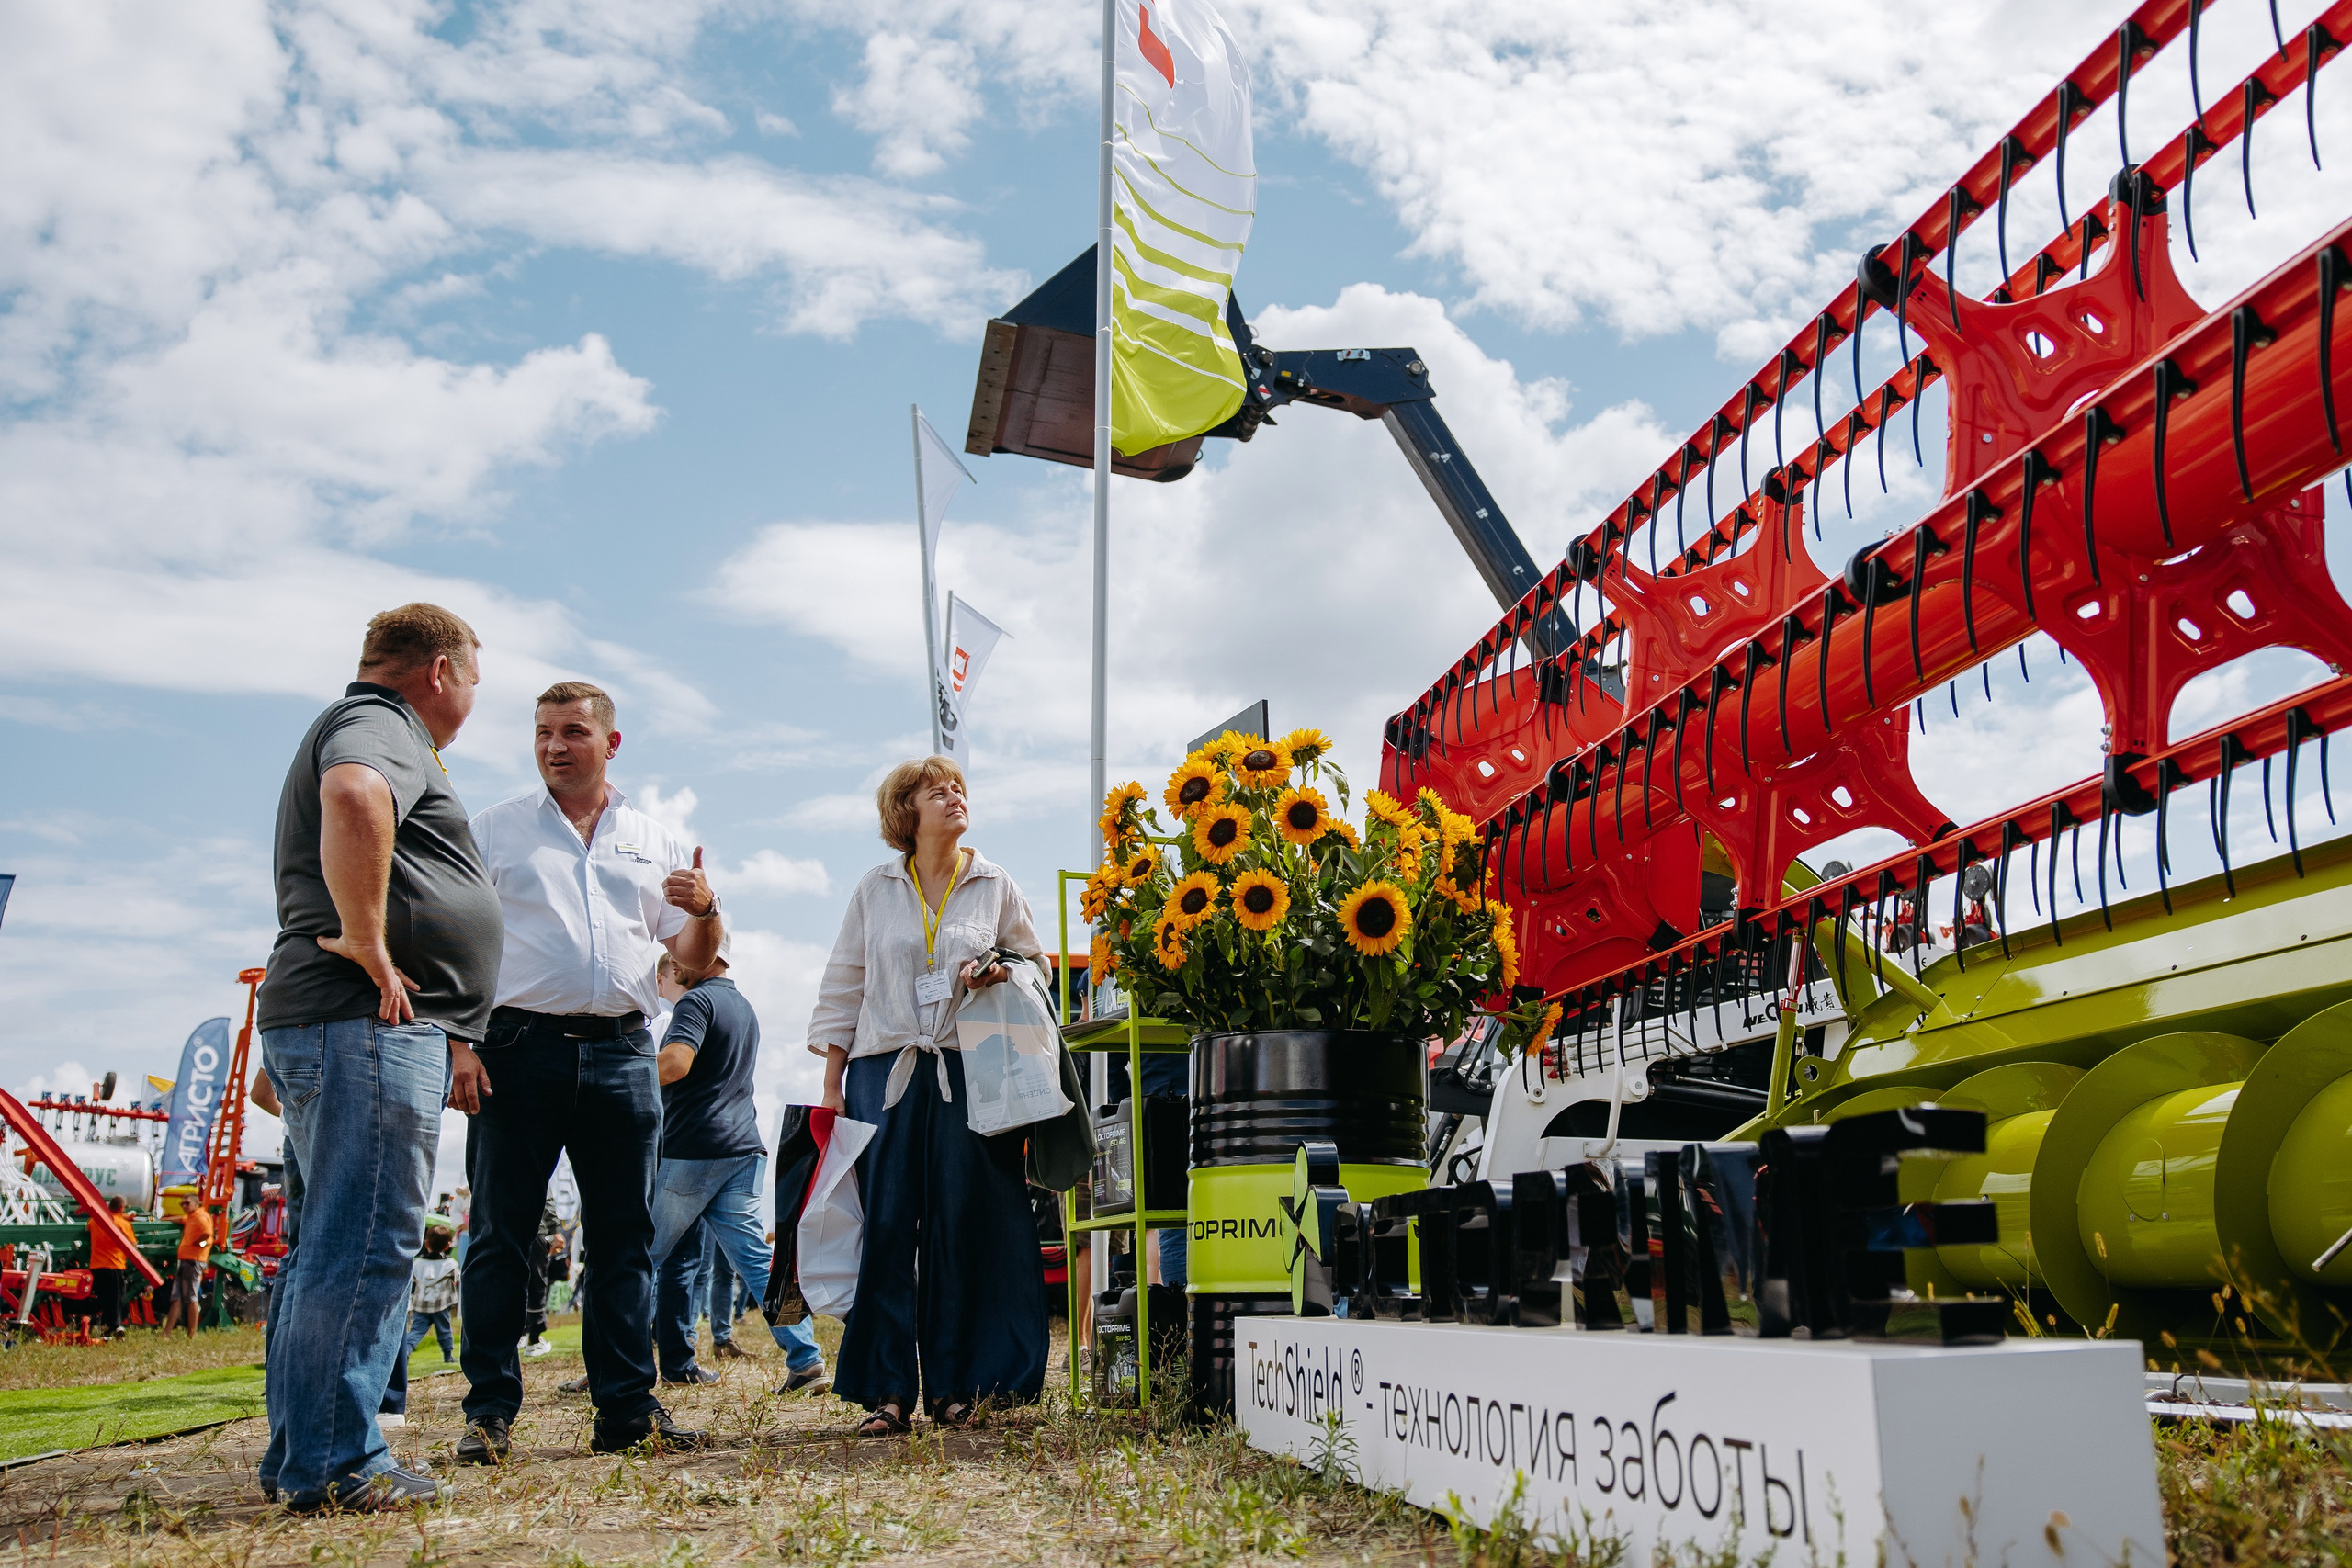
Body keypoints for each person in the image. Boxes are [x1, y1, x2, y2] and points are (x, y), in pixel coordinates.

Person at [254, 601, 499, 1512]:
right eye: (474, 681)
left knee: (328, 1245)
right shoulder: (379, 724)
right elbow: (354, 794)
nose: (472, 700)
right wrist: (366, 936)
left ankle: (305, 1453)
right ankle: (338, 1460)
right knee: (364, 1243)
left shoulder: (365, 723)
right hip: (366, 1020)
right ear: (439, 672)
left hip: (342, 1023)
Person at [456, 681, 720, 1462]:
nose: (553, 745)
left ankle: (627, 1412)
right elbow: (454, 946)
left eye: (572, 731)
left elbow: (693, 962)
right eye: (542, 732)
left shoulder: (655, 840)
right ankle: (489, 1413)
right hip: (514, 1049)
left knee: (624, 1238)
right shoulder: (493, 831)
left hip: (622, 1051)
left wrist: (706, 908)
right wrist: (458, 1044)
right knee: (501, 1238)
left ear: (611, 743)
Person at [809, 756, 1048, 1436]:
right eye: (935, 789)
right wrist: (831, 1087)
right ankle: (886, 1392)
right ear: (904, 811)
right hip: (881, 1072)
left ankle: (961, 1386)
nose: (953, 795)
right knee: (885, 1225)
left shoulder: (994, 881)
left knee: (964, 1222)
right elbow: (842, 986)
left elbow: (1040, 964)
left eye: (959, 788)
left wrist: (1001, 972)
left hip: (970, 1070)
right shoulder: (876, 887)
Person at [647, 942, 828, 1393]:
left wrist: (622, 1076)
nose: (673, 963)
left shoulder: (695, 1001)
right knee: (759, 1264)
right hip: (744, 1147)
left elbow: (674, 1063)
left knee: (637, 1259)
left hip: (693, 1150)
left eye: (678, 955)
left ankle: (609, 1365)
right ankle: (806, 1358)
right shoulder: (743, 1006)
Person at [380, 1217, 461, 1420]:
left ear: (426, 1243)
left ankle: (406, 1352)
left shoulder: (418, 1263)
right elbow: (456, 1281)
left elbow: (413, 1284)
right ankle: (448, 1355)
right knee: (444, 1331)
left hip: (421, 1304)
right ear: (448, 1244)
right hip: (441, 1304)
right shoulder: (450, 1264)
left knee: (415, 1331)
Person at [84, 1196, 137, 1337]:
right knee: (116, 1300)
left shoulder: (95, 1221)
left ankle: (106, 1328)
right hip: (115, 1266)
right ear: (122, 1208)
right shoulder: (124, 1225)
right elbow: (132, 1246)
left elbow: (87, 1228)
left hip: (96, 1267)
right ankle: (114, 1327)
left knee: (103, 1299)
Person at [160, 1200, 214, 1337]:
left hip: (193, 1261)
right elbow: (181, 1219)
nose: (184, 1206)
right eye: (182, 1204)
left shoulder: (201, 1217)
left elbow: (207, 1234)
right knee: (177, 1297)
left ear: (196, 1203)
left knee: (191, 1298)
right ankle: (166, 1333)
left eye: (187, 1203)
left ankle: (192, 1333)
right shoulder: (192, 1217)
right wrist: (164, 1218)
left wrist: (196, 1243)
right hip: (186, 1261)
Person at [521, 1199, 559, 1358]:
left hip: (501, 1228)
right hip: (533, 1229)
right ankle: (534, 1339)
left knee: (513, 1284)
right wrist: (555, 1229)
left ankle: (520, 1334)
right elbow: (545, 1198)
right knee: (536, 1284)